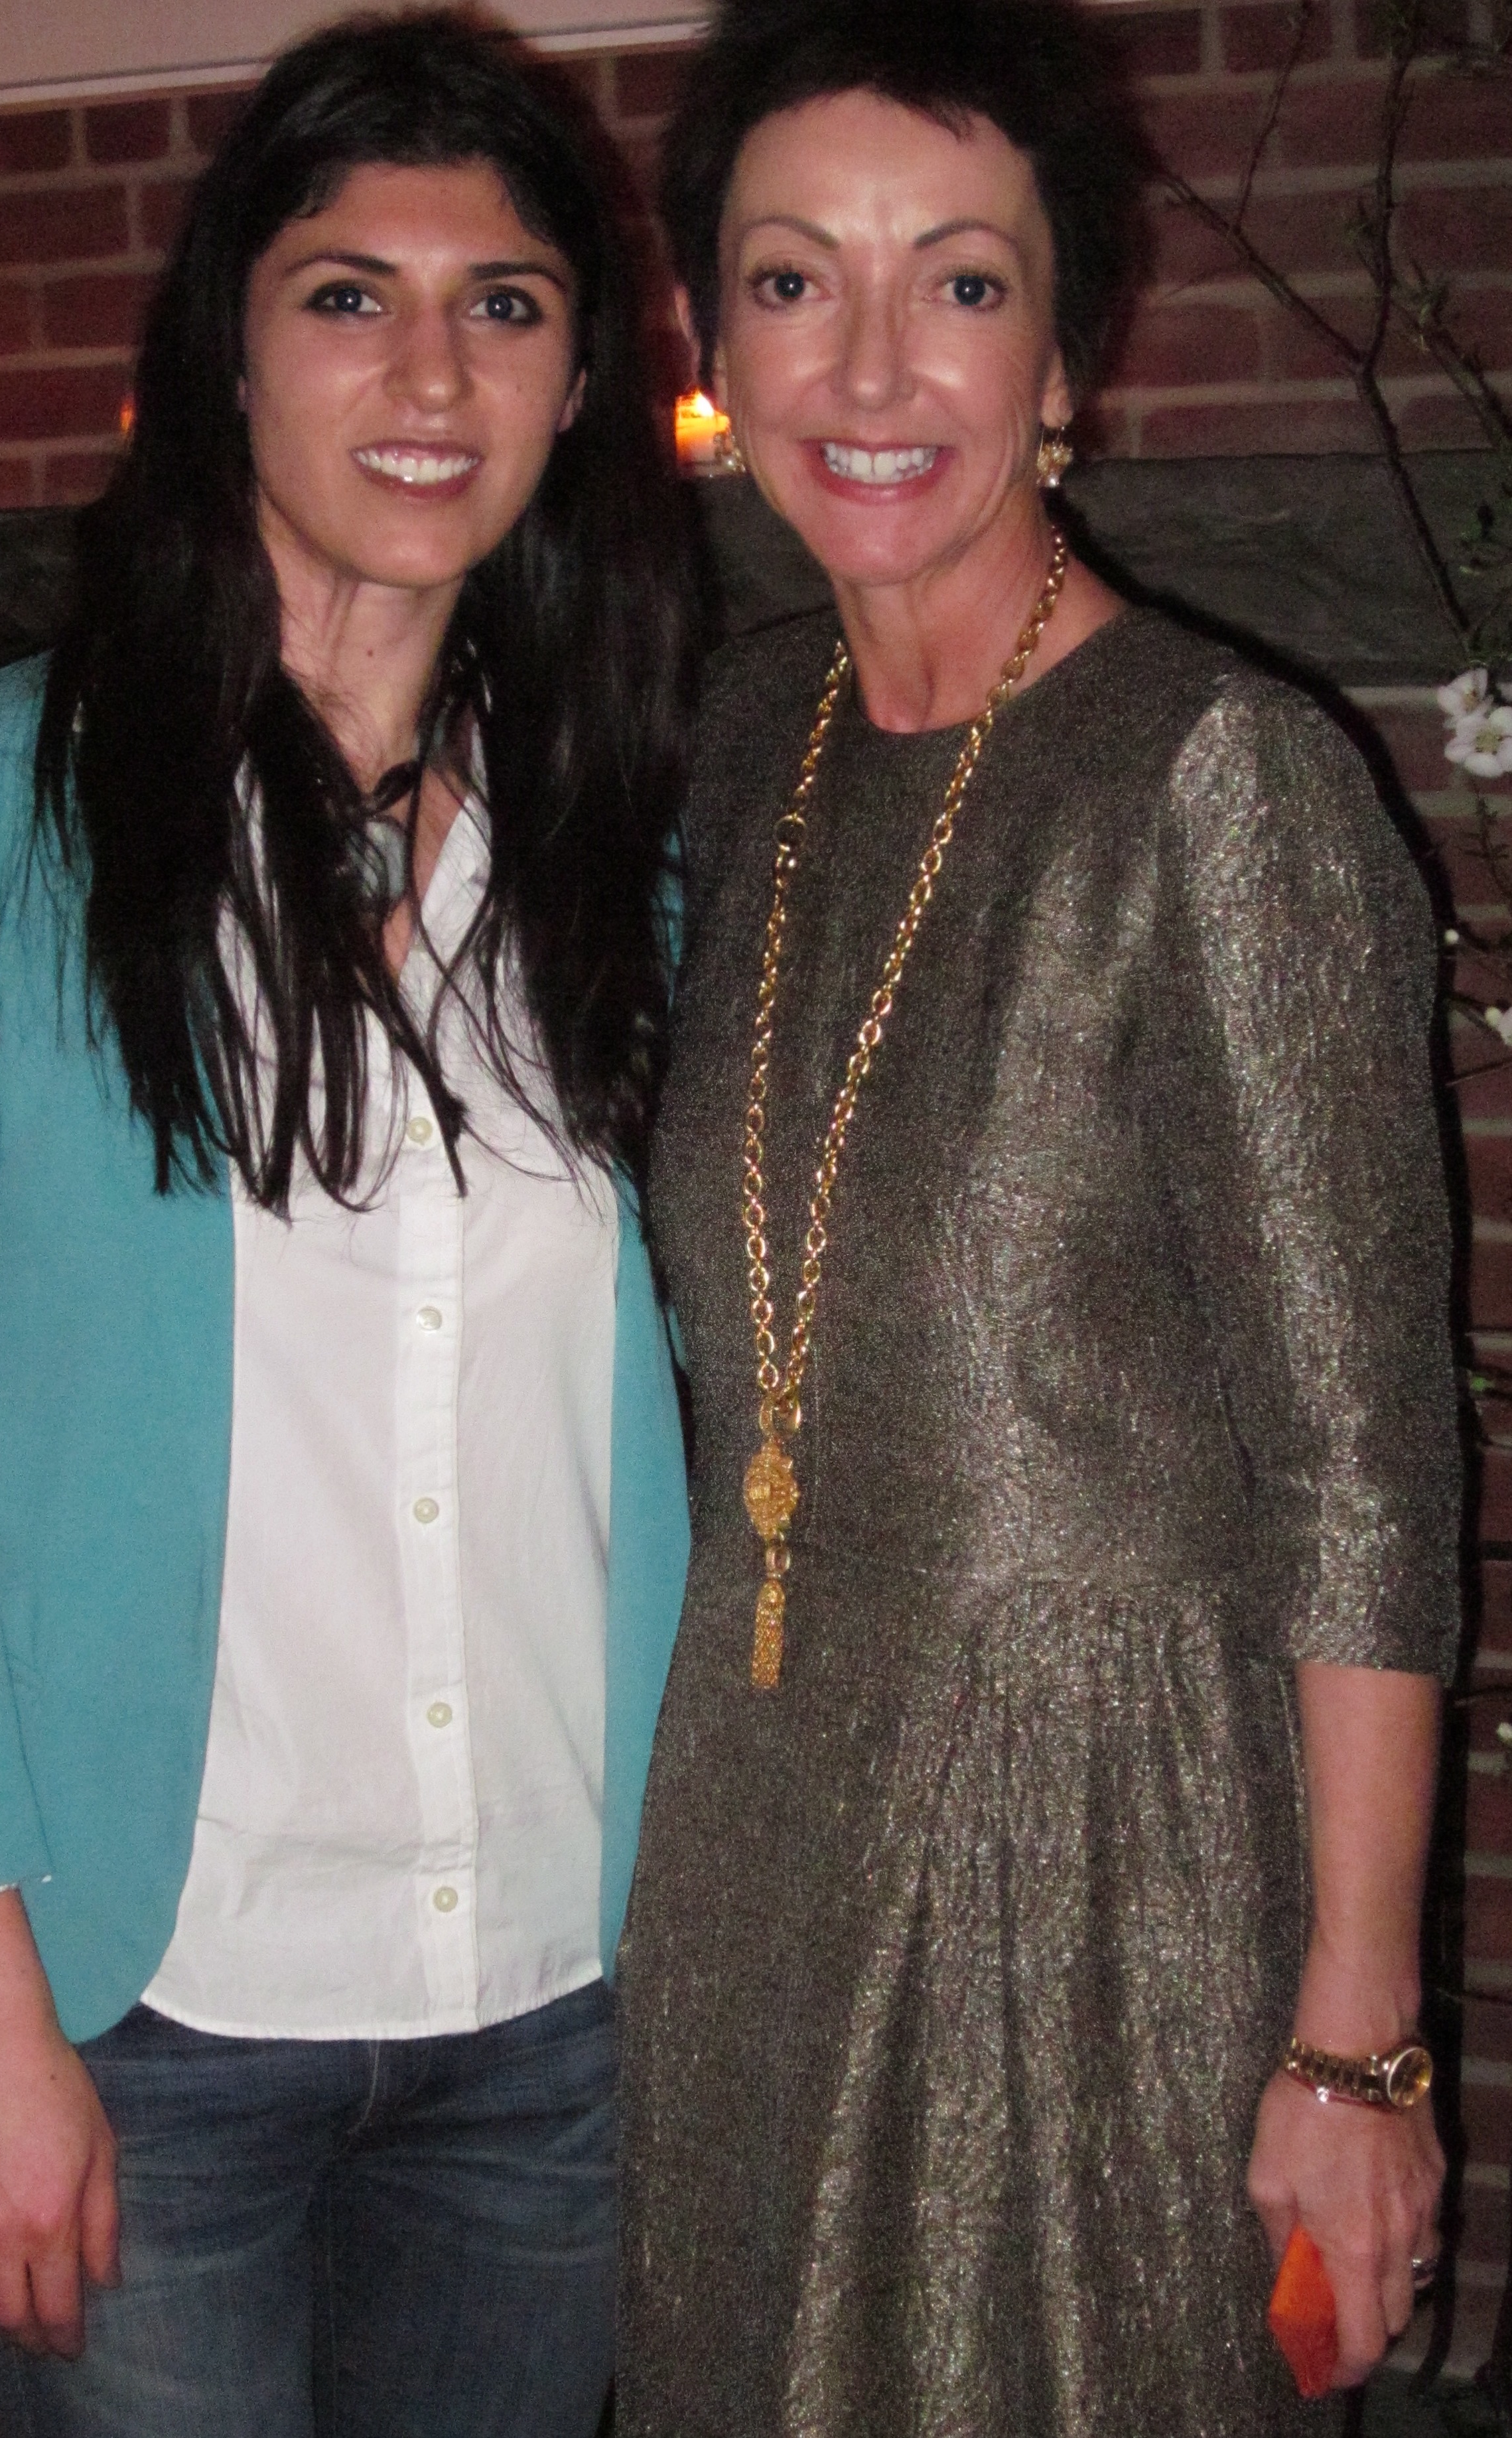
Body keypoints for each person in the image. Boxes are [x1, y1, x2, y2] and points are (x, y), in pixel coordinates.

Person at [0, 15, 696, 2435]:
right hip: (140, 2010)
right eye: (348, 294)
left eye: (503, 304)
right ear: (228, 355)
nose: (431, 373)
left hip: (553, 2002)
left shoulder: (614, 858)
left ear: (579, 382)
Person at [616, 1, 1458, 2431]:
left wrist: (1359, 2039)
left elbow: (1366, 1472)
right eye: (796, 280)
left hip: (1099, 1865)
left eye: (963, 284)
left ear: (1066, 353)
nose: (875, 366)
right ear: (712, 343)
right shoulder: (734, 739)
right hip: (749, 1811)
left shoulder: (1220, 779)